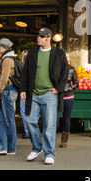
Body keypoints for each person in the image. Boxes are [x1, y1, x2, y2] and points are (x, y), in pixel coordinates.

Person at [20, 27, 69, 165]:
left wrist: (58, 89)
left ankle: (49, 153)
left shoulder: (59, 53)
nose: (38, 38)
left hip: (50, 94)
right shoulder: (32, 53)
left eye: (41, 36)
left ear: (48, 38)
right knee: (29, 121)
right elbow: (26, 72)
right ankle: (37, 147)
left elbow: (65, 73)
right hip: (33, 94)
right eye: (37, 36)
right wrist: (23, 89)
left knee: (49, 126)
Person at [0, 38, 18, 156]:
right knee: (4, 120)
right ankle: (5, 147)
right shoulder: (9, 58)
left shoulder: (6, 59)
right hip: (7, 91)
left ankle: (9, 148)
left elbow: (4, 77)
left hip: (6, 91)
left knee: (8, 120)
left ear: (2, 47)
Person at [60, 52, 79, 148]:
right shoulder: (56, 69)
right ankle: (50, 140)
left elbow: (76, 83)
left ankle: (64, 140)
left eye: (68, 57)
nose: (68, 59)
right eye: (66, 57)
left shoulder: (72, 70)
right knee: (53, 119)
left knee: (66, 119)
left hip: (68, 97)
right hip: (57, 97)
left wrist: (69, 88)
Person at [20, 50, 29, 139]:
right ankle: (31, 130)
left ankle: (27, 131)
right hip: (32, 92)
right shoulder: (33, 66)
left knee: (24, 112)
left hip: (24, 92)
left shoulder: (20, 66)